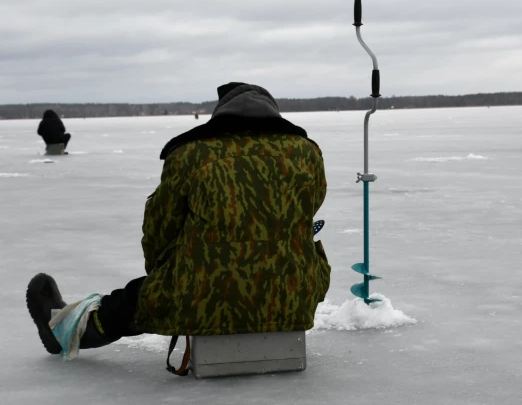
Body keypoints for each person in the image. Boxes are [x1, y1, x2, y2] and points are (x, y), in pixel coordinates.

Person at [27, 83, 331, 370]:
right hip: (294, 295)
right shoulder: (307, 154)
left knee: (128, 303)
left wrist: (161, 277)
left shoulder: (191, 154)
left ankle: (62, 333)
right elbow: (310, 210)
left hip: (203, 298)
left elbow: (160, 228)